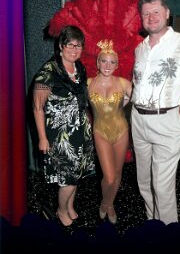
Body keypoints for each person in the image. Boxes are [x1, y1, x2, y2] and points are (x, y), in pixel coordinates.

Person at [131, 0, 180, 225]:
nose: (151, 17)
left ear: (167, 13)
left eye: (156, 12)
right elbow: (138, 86)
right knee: (144, 181)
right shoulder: (139, 49)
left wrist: (177, 124)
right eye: (146, 14)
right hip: (138, 121)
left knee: (162, 186)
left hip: (167, 121)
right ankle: (153, 224)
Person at [33, 25, 95, 226]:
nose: (75, 49)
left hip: (80, 130)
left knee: (76, 175)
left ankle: (69, 206)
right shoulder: (48, 71)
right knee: (68, 178)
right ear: (61, 45)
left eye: (79, 45)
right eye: (70, 44)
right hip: (60, 135)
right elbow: (37, 108)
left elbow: (82, 100)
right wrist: (42, 138)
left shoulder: (80, 68)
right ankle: (61, 210)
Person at [87, 40, 132, 224]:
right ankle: (105, 202)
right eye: (104, 61)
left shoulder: (124, 83)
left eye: (112, 62)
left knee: (118, 171)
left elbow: (143, 96)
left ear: (117, 64)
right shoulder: (88, 83)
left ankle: (109, 204)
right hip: (100, 132)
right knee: (109, 176)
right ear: (97, 63)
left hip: (121, 131)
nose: (107, 65)